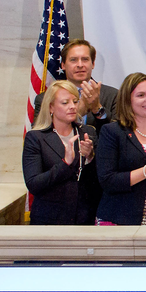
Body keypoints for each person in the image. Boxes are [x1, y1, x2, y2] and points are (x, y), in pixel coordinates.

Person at [95, 72, 146, 225]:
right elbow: (107, 180)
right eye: (141, 95)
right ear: (127, 100)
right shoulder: (112, 132)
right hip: (120, 220)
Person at [23, 80, 99, 225]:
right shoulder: (36, 138)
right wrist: (65, 164)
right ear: (51, 107)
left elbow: (97, 182)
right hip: (49, 221)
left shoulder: (88, 133)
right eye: (65, 103)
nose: (72, 106)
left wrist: (90, 157)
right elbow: (34, 184)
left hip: (84, 219)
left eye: (75, 101)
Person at [33, 39, 118, 133]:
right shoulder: (45, 99)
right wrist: (77, 114)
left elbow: (119, 136)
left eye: (85, 59)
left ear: (93, 64)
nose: (80, 65)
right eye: (73, 60)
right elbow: (40, 137)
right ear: (63, 65)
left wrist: (97, 109)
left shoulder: (113, 95)